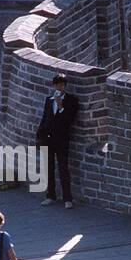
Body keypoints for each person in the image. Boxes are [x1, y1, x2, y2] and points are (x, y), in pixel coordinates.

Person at [36, 73, 78, 208]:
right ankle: (51, 195)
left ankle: (67, 198)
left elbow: (68, 120)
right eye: (57, 85)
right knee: (49, 168)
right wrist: (39, 136)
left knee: (63, 168)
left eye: (62, 85)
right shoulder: (49, 100)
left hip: (62, 139)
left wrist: (61, 106)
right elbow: (45, 118)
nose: (59, 87)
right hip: (48, 138)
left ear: (65, 86)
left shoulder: (71, 100)